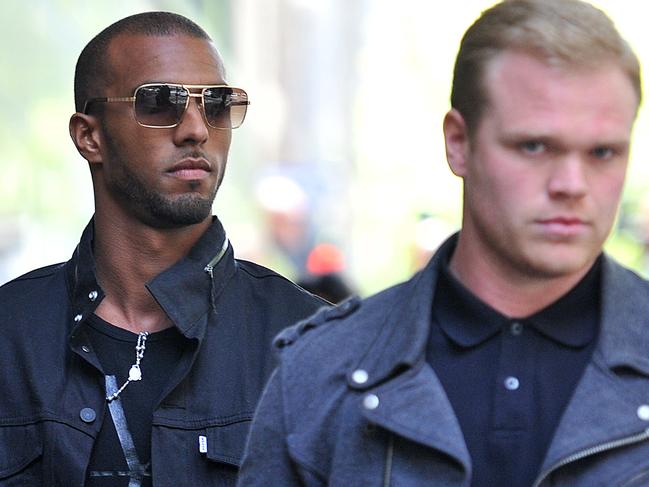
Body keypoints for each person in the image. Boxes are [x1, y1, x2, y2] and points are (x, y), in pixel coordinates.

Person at [238, 0, 648, 485]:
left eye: (602, 152)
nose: (572, 184)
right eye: (534, 146)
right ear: (459, 142)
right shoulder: (321, 372)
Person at [0, 12, 326, 486]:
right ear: (89, 136)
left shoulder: (309, 343)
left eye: (217, 104)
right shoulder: (10, 337)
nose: (196, 129)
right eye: (158, 102)